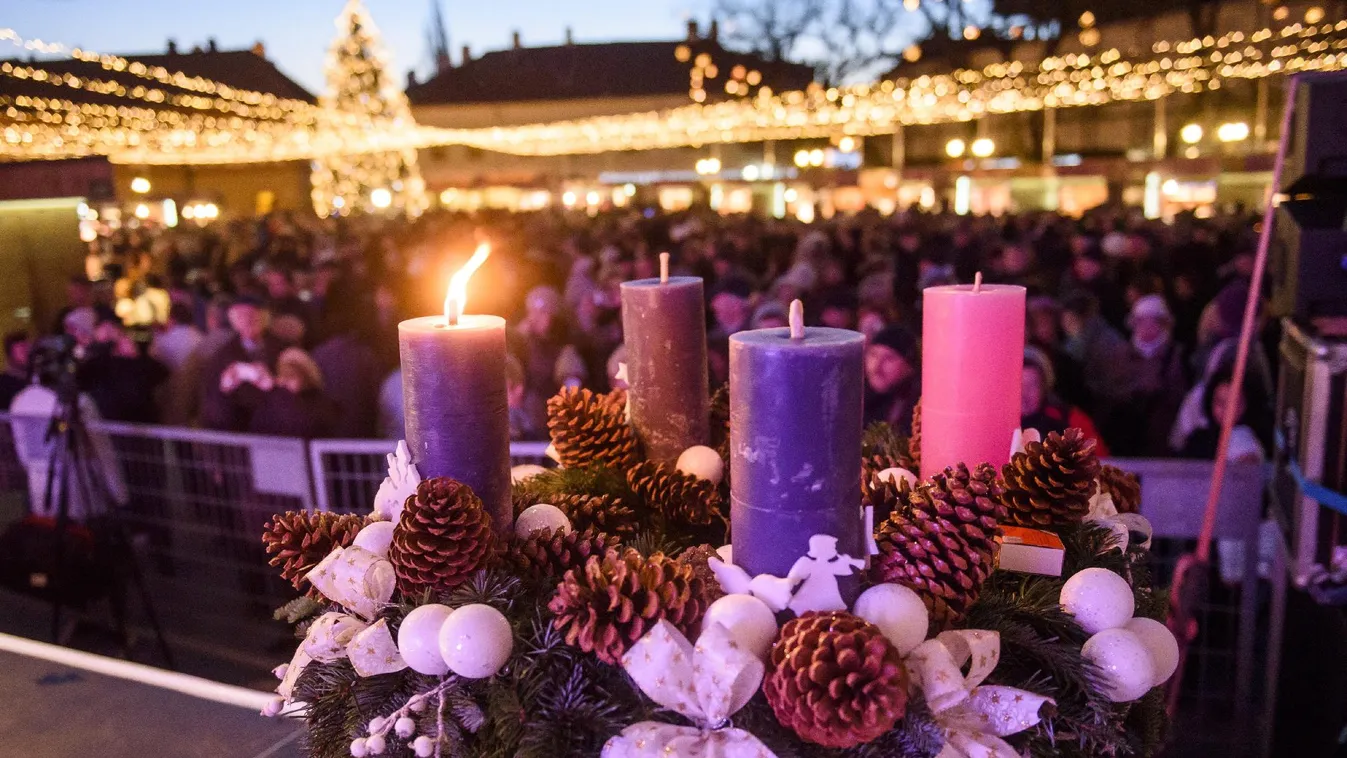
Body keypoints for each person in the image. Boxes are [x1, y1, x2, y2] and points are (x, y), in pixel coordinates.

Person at [1118, 295, 1188, 456]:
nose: (1147, 326)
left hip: (1163, 432)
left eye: (1153, 321)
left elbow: (1180, 393)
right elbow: (1113, 390)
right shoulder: (1121, 355)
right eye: (1141, 321)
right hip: (1129, 433)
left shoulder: (1176, 355)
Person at [200, 298, 282, 432]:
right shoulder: (221, 358)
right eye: (242, 316)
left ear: (264, 319)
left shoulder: (282, 351)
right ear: (234, 322)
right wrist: (225, 389)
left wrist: (272, 384)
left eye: (253, 315)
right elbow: (213, 409)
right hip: (242, 432)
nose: (248, 320)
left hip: (277, 430)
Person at [1021, 346, 1110, 456]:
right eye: (1019, 385)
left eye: (1033, 385)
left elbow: (1100, 461)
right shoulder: (996, 424)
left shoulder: (1071, 419)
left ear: (1044, 387)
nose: (1025, 393)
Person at [248, 348, 338, 438]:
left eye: (291, 375)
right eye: (282, 374)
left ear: (305, 377)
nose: (285, 381)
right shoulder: (272, 401)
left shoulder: (321, 405)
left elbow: (300, 427)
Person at [863, 325, 919, 429]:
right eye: (873, 355)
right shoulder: (856, 399)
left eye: (889, 358)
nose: (876, 366)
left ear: (909, 367)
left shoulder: (916, 410)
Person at [150, 302, 203, 372]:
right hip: (195, 379)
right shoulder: (200, 336)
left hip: (174, 379)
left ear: (172, 319)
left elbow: (153, 357)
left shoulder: (164, 341)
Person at [0, 331, 31, 409]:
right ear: (10, 354)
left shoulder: (36, 380)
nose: (27, 354)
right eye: (22, 351)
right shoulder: (3, 384)